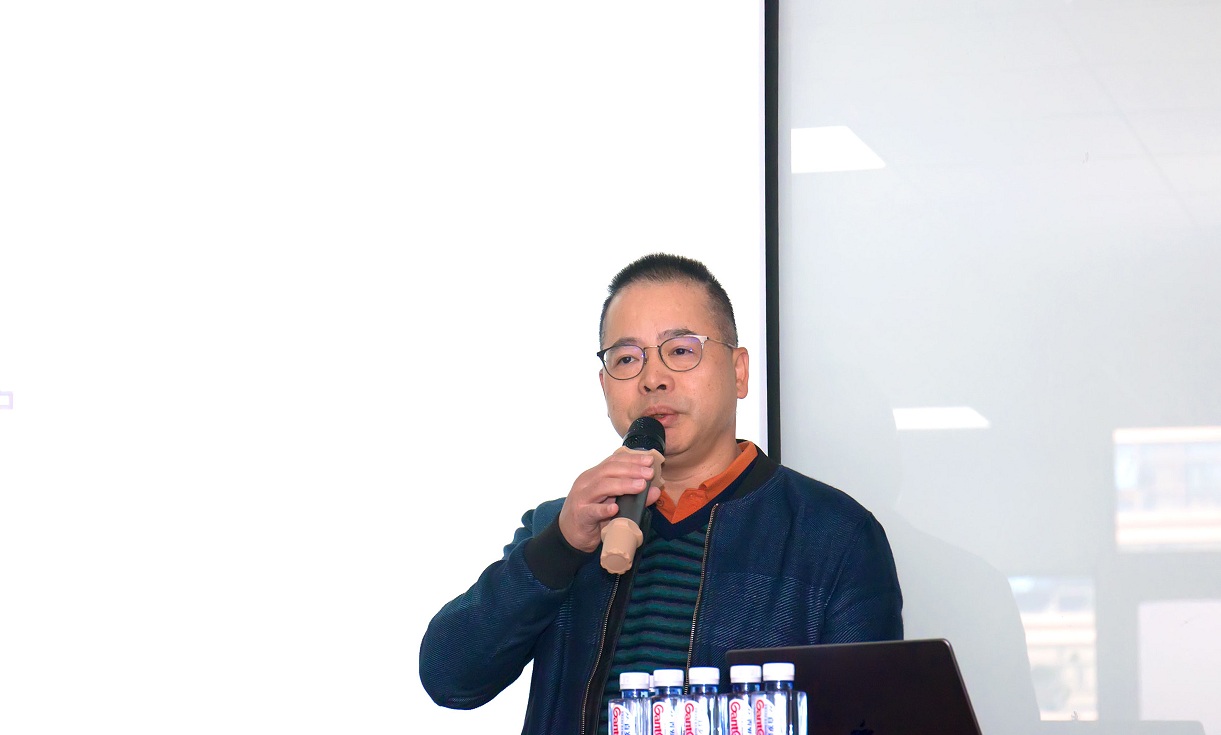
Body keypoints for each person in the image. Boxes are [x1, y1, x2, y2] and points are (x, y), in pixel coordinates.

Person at [419, 253, 903, 735]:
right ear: (604, 386)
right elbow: (450, 680)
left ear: (738, 372)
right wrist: (562, 547)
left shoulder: (834, 536)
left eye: (681, 350)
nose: (653, 379)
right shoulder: (562, 527)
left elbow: (867, 723)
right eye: (627, 359)